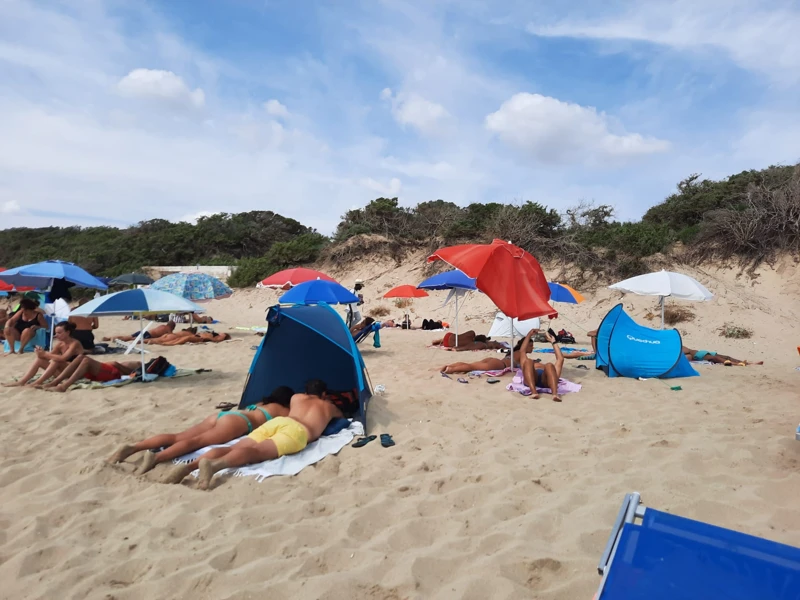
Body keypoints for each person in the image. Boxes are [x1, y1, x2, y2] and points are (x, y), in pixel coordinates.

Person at [164, 379, 344, 489]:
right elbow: (343, 418)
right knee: (256, 452)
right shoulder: (329, 407)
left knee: (234, 447)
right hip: (297, 432)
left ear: (305, 391)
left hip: (279, 422)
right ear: (324, 394)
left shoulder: (296, 397)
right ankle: (214, 466)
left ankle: (189, 467)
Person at [107, 386, 294, 474]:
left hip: (224, 415)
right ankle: (156, 458)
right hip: (238, 423)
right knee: (197, 443)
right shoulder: (283, 410)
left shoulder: (262, 403)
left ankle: (134, 447)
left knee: (177, 436)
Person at [2, 322, 85, 387]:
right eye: (56, 333)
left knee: (56, 361)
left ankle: (37, 382)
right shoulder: (60, 344)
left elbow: (63, 358)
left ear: (68, 332)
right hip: (61, 373)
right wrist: (40, 353)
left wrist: (45, 354)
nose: (56, 335)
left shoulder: (74, 343)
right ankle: (22, 381)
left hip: (74, 373)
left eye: (59, 333)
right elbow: (46, 357)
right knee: (40, 360)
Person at [439, 333, 536, 374]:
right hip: (500, 364)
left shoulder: (515, 350)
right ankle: (450, 370)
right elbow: (525, 366)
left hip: (494, 360)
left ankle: (448, 366)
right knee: (472, 367)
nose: (532, 348)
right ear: (525, 345)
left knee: (472, 365)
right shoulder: (521, 354)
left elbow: (502, 351)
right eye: (530, 346)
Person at [43, 355, 141, 392]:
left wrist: (118, 365)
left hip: (112, 373)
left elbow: (133, 373)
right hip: (104, 370)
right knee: (81, 357)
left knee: (86, 360)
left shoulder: (139, 365)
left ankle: (64, 386)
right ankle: (55, 382)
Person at [520, 330, 564, 402]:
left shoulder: (549, 370)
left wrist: (553, 341)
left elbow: (560, 359)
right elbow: (522, 351)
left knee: (549, 365)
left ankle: (555, 394)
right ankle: (534, 392)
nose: (533, 347)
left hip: (546, 379)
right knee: (528, 361)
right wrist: (529, 334)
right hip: (532, 376)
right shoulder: (530, 365)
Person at [682, 346, 763, 366]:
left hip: (704, 353)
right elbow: (689, 356)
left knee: (727, 357)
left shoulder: (680, 347)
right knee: (717, 358)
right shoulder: (681, 351)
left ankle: (749, 363)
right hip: (700, 355)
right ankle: (738, 364)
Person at [102, 321, 176, 342]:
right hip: (147, 335)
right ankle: (116, 340)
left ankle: (109, 338)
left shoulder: (162, 326)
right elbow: (172, 335)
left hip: (144, 331)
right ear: (172, 326)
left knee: (128, 336)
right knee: (130, 339)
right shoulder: (168, 329)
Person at [145, 331, 230, 346]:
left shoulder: (219, 338)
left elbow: (215, 341)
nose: (221, 333)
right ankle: (164, 343)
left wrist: (210, 337)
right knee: (183, 337)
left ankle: (167, 344)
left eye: (223, 334)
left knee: (186, 338)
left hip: (200, 339)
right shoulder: (215, 335)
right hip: (199, 337)